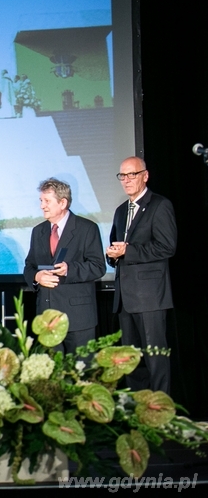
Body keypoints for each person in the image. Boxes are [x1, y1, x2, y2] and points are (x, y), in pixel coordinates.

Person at [106, 157, 177, 393]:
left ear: (145, 175)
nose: (126, 180)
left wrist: (129, 250)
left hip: (150, 297)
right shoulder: (119, 211)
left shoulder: (159, 205)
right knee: (131, 359)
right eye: (122, 176)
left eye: (131, 175)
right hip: (125, 298)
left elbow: (167, 247)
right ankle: (138, 411)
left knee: (155, 358)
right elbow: (117, 248)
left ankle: (160, 412)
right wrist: (113, 256)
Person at [23, 179, 106, 353]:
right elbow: (29, 266)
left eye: (47, 201)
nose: (42, 206)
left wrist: (70, 269)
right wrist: (36, 277)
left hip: (78, 318)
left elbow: (98, 267)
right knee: (53, 377)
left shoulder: (87, 228)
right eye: (41, 201)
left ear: (62, 203)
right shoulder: (38, 231)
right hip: (47, 318)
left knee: (81, 373)